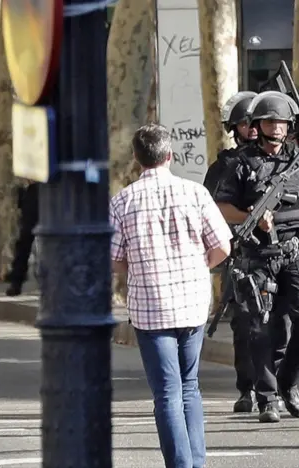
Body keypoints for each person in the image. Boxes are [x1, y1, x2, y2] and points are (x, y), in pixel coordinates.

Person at [110, 124, 232, 468]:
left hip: (151, 308)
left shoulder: (122, 201)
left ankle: (180, 464)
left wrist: (139, 269)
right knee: (190, 386)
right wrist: (199, 267)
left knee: (167, 391)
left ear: (136, 158)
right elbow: (223, 245)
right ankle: (197, 460)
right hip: (193, 304)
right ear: (170, 155)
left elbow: (114, 259)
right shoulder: (195, 193)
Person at [214, 90, 299, 423]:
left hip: (295, 252)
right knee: (258, 328)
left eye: (281, 122)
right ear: (258, 124)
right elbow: (220, 207)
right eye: (270, 121)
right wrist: (250, 216)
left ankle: (289, 384)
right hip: (256, 256)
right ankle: (266, 397)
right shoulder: (240, 164)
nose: (276, 128)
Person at [203, 91, 289, 414]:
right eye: (244, 124)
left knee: (282, 321)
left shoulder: (279, 160)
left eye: (254, 123)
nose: (251, 130)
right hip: (239, 253)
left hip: (277, 252)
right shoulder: (227, 166)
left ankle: (278, 383)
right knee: (245, 324)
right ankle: (247, 388)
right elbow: (211, 210)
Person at [5, 181, 39, 296]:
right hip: (36, 189)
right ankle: (16, 280)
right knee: (25, 239)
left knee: (25, 240)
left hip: (51, 188)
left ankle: (16, 281)